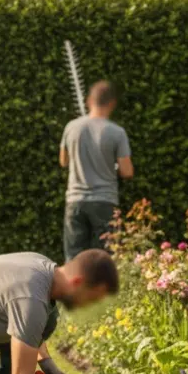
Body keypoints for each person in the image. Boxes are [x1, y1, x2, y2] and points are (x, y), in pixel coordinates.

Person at [60, 80, 134, 262]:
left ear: (88, 101)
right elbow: (127, 171)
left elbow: (63, 161)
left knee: (74, 259)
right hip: (104, 201)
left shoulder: (72, 127)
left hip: (75, 201)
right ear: (112, 104)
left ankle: (73, 291)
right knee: (106, 259)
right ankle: (103, 291)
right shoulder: (117, 132)